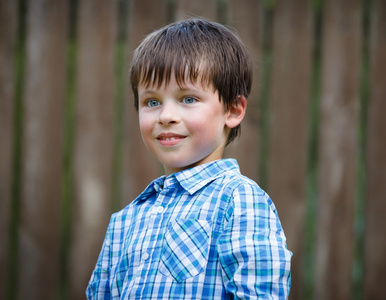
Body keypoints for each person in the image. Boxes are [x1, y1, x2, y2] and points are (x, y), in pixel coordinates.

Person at [86, 18, 292, 299]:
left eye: (188, 99)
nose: (166, 116)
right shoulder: (125, 220)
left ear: (233, 110)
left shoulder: (238, 200)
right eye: (152, 102)